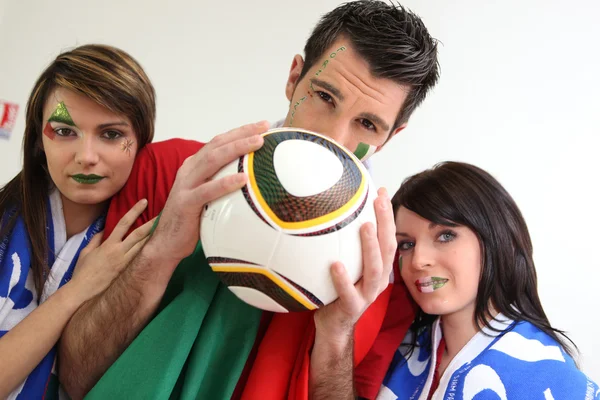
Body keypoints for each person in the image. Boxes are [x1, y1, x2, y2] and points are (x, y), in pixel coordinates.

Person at [58, 2, 440, 399]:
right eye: (324, 96)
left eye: (367, 124)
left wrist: (337, 334)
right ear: (294, 78)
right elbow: (76, 376)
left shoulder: (378, 269)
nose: (332, 136)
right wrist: (161, 251)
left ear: (390, 138)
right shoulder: (169, 171)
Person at [0, 44, 158, 398]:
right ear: (39, 138)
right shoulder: (4, 220)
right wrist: (79, 290)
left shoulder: (153, 241)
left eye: (111, 134)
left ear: (141, 140)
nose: (86, 157)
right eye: (64, 131)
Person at [380, 161, 599, 399]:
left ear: (495, 239)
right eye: (407, 244)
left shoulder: (545, 376)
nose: (418, 260)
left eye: (445, 235)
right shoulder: (398, 349)